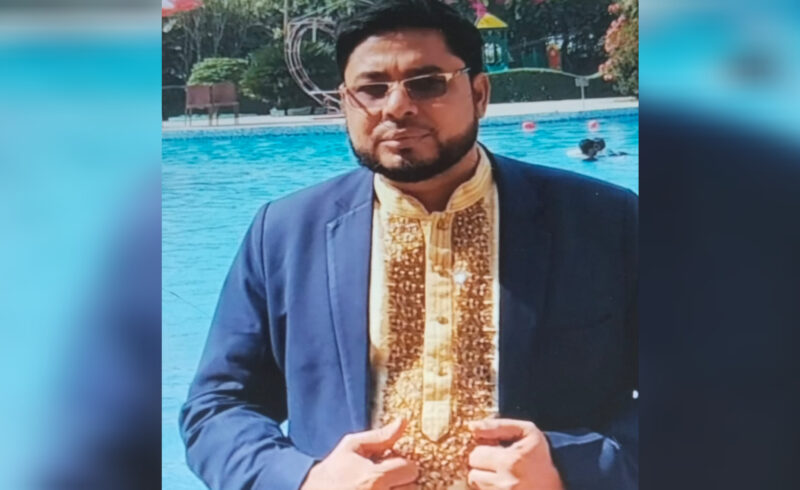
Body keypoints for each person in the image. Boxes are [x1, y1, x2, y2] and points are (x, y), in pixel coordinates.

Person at [179, 1, 638, 489]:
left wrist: (568, 470)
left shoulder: (601, 222)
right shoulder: (287, 234)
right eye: (372, 89)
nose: (396, 106)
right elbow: (217, 408)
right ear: (345, 102)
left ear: (479, 94)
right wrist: (308, 480)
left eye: (427, 83)